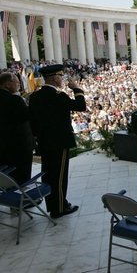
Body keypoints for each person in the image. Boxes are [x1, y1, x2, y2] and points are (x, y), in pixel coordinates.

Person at [29, 65, 86, 218]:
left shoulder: (35, 96)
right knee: (59, 177)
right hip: (59, 142)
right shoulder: (58, 96)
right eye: (60, 76)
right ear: (55, 78)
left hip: (44, 142)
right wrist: (76, 89)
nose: (62, 79)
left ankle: (52, 205)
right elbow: (81, 106)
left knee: (48, 175)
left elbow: (33, 123)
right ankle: (59, 208)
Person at [0, 72, 34, 184]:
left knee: (8, 177)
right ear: (7, 84)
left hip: (3, 146)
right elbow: (27, 116)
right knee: (22, 177)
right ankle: (25, 199)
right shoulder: (13, 99)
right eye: (16, 82)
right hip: (19, 146)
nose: (18, 85)